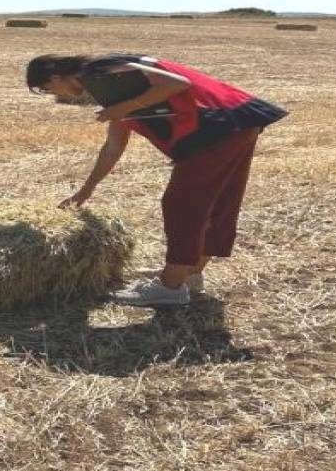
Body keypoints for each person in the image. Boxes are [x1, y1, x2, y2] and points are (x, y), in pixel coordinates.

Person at [26, 53, 287, 306]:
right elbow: (113, 148)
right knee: (219, 202)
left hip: (216, 125)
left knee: (182, 205)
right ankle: (189, 274)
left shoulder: (101, 69)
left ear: (56, 76)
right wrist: (86, 190)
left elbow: (177, 83)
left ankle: (169, 288)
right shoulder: (110, 90)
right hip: (235, 122)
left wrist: (126, 107)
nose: (57, 96)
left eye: (49, 89)